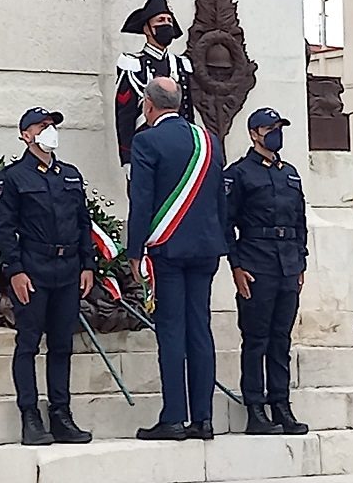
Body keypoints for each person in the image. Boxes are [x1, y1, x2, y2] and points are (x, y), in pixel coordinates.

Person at [126, 77, 227, 441]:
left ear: (149, 106)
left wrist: (134, 251)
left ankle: (173, 417)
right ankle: (204, 419)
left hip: (167, 250)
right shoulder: (208, 140)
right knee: (200, 330)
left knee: (171, 332)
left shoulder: (146, 141)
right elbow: (219, 199)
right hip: (206, 249)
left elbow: (142, 201)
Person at [0, 108, 95, 446]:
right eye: (41, 125)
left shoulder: (70, 175)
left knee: (62, 345)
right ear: (25, 135)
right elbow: (4, 229)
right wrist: (15, 270)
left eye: (51, 125)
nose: (49, 130)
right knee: (28, 343)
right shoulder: (13, 177)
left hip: (67, 270)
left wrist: (87, 265)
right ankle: (30, 416)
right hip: (33, 270)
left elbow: (83, 223)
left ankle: (61, 415)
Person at [223, 108, 309, 435]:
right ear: (254, 133)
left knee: (280, 340)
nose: (276, 132)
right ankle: (255, 409)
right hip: (256, 262)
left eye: (279, 127)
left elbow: (299, 221)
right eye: (269, 127)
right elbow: (226, 223)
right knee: (256, 339)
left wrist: (301, 261)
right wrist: (236, 265)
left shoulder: (290, 173)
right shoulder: (240, 174)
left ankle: (281, 405)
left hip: (287, 264)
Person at [116, 0, 195, 185]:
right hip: (146, 147)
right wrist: (127, 158)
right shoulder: (132, 64)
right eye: (160, 20)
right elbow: (124, 114)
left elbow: (187, 111)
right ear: (147, 28)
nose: (166, 25)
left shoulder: (181, 64)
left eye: (169, 20)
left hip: (178, 150)